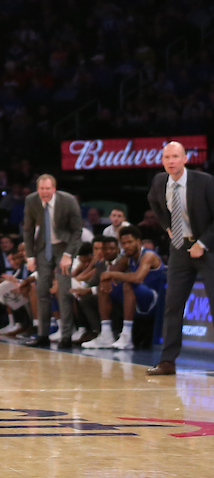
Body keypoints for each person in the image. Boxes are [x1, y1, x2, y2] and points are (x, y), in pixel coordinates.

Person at [146, 141, 214, 375]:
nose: (171, 161)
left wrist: (202, 243)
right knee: (172, 306)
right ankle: (167, 362)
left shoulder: (204, 182)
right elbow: (153, 202)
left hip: (207, 247)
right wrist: (167, 226)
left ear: (185, 159)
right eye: (167, 157)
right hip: (179, 248)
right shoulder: (159, 181)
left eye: (176, 156)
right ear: (162, 160)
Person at [21, 174, 83, 347]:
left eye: (48, 189)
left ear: (54, 189)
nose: (45, 192)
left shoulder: (68, 201)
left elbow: (77, 231)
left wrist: (69, 255)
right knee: (41, 290)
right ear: (37, 189)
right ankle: (43, 334)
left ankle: (66, 336)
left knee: (63, 291)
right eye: (41, 189)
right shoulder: (31, 201)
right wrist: (30, 256)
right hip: (43, 246)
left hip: (64, 245)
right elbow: (28, 229)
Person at [83, 225, 164, 350]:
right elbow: (112, 273)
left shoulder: (148, 256)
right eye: (124, 243)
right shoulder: (126, 258)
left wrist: (111, 274)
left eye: (130, 242)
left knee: (128, 285)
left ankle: (126, 336)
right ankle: (106, 335)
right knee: (103, 289)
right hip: (136, 296)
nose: (126, 246)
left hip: (153, 299)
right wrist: (106, 279)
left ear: (138, 241)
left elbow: (138, 278)